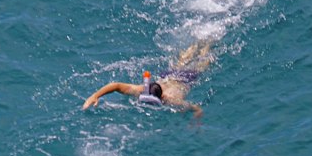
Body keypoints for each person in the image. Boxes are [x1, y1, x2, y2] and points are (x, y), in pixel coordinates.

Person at [82, 39, 215, 118]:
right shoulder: (140, 90)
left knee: (202, 63)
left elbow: (195, 107)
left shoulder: (172, 100)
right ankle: (200, 41)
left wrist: (196, 115)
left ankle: (208, 42)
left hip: (185, 79)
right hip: (170, 75)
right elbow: (115, 85)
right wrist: (95, 96)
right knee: (183, 60)